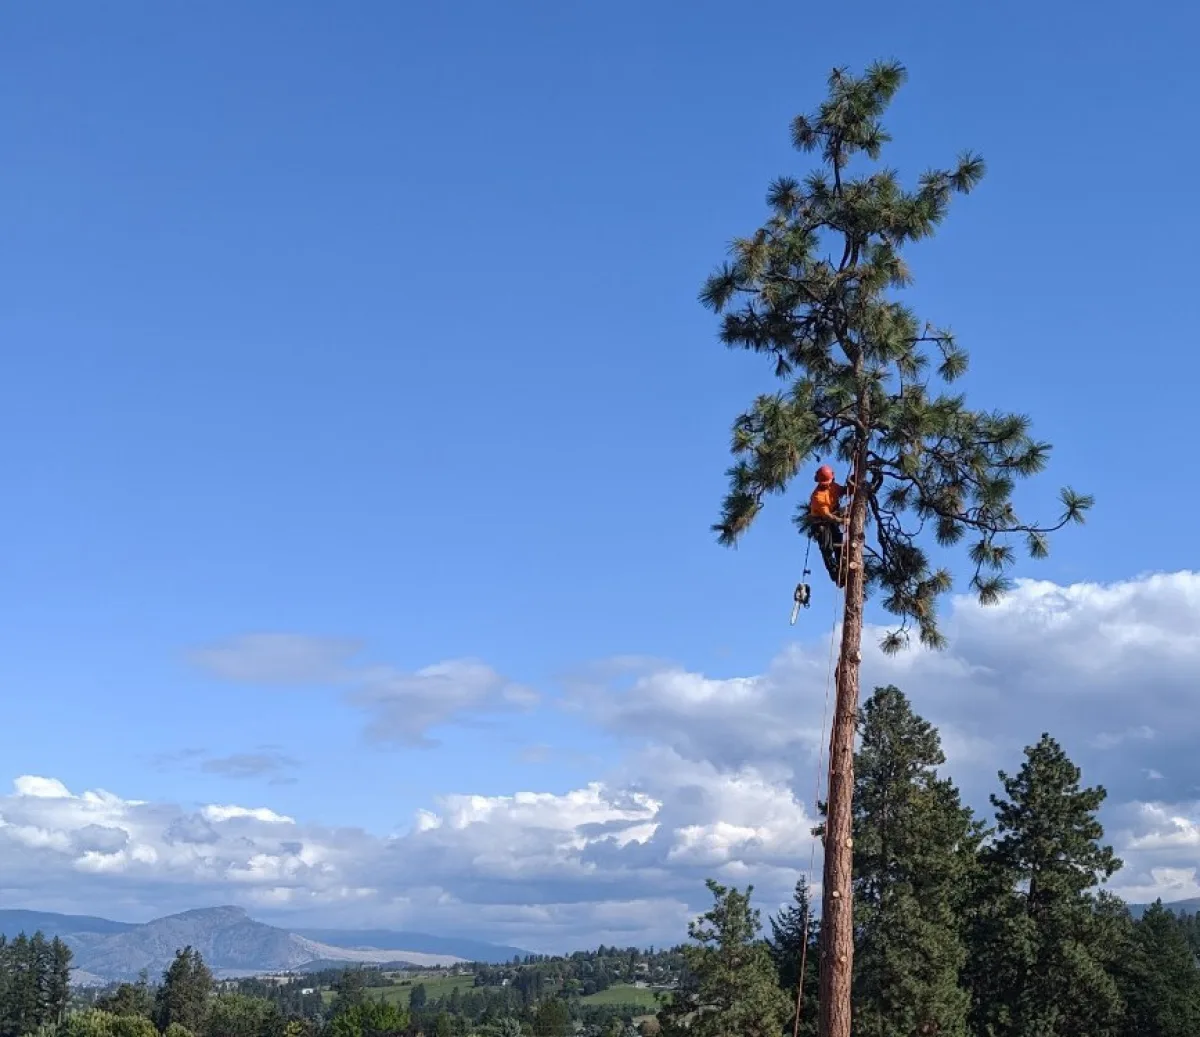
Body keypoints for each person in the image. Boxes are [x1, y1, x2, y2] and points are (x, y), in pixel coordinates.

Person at [808, 464, 852, 586]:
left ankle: (842, 566)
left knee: (838, 541)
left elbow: (843, 491)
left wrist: (851, 486)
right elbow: (827, 516)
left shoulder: (834, 486)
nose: (827, 485)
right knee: (827, 548)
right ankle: (835, 574)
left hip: (832, 518)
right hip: (821, 522)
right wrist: (841, 521)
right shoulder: (818, 496)